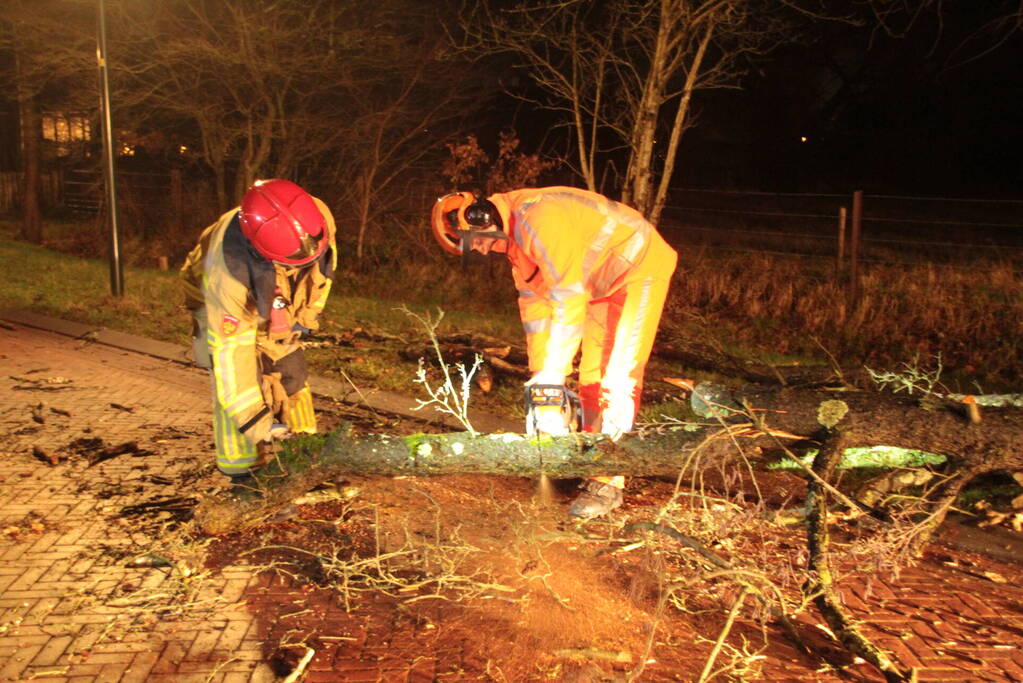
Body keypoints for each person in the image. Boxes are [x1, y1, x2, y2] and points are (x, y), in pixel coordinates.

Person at [431, 186, 677, 519]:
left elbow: (567, 298)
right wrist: (540, 381)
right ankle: (588, 456)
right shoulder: (518, 250)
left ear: (480, 217)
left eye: (473, 241)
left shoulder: (539, 217)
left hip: (637, 267)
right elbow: (536, 316)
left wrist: (553, 375)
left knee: (617, 376)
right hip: (599, 282)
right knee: (592, 376)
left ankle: (608, 480)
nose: (481, 251)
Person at [181, 179, 337, 493]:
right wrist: (256, 420)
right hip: (220, 304)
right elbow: (231, 357)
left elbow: (321, 275)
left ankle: (305, 454)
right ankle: (243, 476)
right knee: (235, 381)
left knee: (292, 372)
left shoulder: (318, 220)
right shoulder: (227, 274)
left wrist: (303, 320)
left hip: (276, 280)